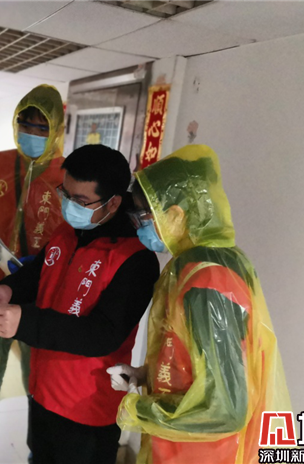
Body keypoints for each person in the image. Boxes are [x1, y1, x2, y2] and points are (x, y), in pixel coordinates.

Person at [0, 144, 159, 464]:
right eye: (65, 194)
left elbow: (103, 334)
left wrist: (25, 322)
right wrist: (8, 290)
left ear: (113, 202)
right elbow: (40, 272)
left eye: (81, 201)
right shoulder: (70, 231)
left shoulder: (135, 259)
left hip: (86, 408)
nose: (69, 206)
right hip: (44, 390)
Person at [107, 145, 291, 464]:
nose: (137, 226)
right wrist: (144, 375)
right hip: (178, 449)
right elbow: (194, 361)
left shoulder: (208, 282)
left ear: (176, 215)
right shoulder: (192, 267)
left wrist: (138, 409)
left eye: (142, 216)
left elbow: (225, 410)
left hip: (203, 455)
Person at [0, 85, 65, 463]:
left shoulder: (66, 174)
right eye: (25, 124)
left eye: (42, 127)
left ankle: (37, 455)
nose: (32, 133)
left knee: (39, 380)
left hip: (43, 298)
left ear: (56, 129)